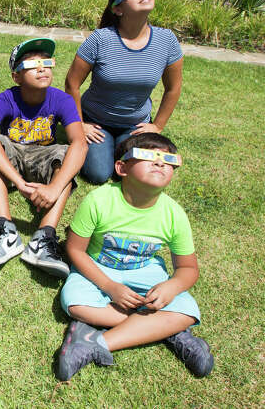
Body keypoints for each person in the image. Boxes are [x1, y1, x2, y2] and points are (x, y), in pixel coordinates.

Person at [54, 133, 213, 380]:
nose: (160, 163)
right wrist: (109, 286)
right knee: (75, 303)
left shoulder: (174, 213)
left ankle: (93, 340)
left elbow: (188, 269)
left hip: (147, 274)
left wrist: (172, 287)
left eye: (169, 160)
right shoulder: (99, 199)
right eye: (148, 156)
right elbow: (74, 249)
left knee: (187, 312)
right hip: (98, 268)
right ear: (122, 167)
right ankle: (165, 329)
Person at [0, 38, 88, 278]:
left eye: (46, 62)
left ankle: (43, 238)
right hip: (13, 153)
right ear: (16, 76)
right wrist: (19, 182)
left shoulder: (62, 100)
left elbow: (79, 143)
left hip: (43, 156)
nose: (41, 68)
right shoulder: (5, 99)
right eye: (31, 64)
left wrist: (55, 188)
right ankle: (5, 229)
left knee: (66, 154)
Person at [64, 0, 183, 185]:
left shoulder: (167, 41)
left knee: (133, 171)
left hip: (135, 125)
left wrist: (157, 126)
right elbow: (71, 84)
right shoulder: (100, 39)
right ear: (118, 9)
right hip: (96, 121)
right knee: (99, 174)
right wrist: (79, 124)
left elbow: (173, 88)